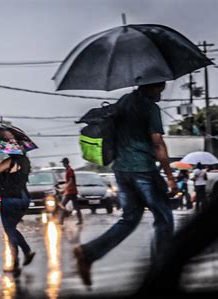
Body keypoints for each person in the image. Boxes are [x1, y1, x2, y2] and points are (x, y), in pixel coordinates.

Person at [73, 82, 177, 286]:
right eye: (161, 87)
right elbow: (157, 143)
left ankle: (88, 253)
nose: (162, 91)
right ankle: (162, 271)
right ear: (153, 87)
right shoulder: (150, 108)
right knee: (164, 218)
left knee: (129, 218)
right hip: (142, 168)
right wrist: (170, 176)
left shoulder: (123, 102)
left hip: (121, 169)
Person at [0, 153, 36, 277]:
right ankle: (27, 252)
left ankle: (15, 264)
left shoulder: (11, 160)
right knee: (12, 229)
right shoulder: (25, 162)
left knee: (9, 231)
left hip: (10, 198)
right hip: (24, 198)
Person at [59, 157, 83, 225]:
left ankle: (61, 220)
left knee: (62, 205)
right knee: (75, 206)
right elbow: (68, 181)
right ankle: (62, 220)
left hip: (71, 192)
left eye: (63, 163)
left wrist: (64, 189)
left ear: (65, 163)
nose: (63, 164)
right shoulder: (68, 170)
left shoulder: (70, 170)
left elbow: (71, 181)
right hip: (70, 191)